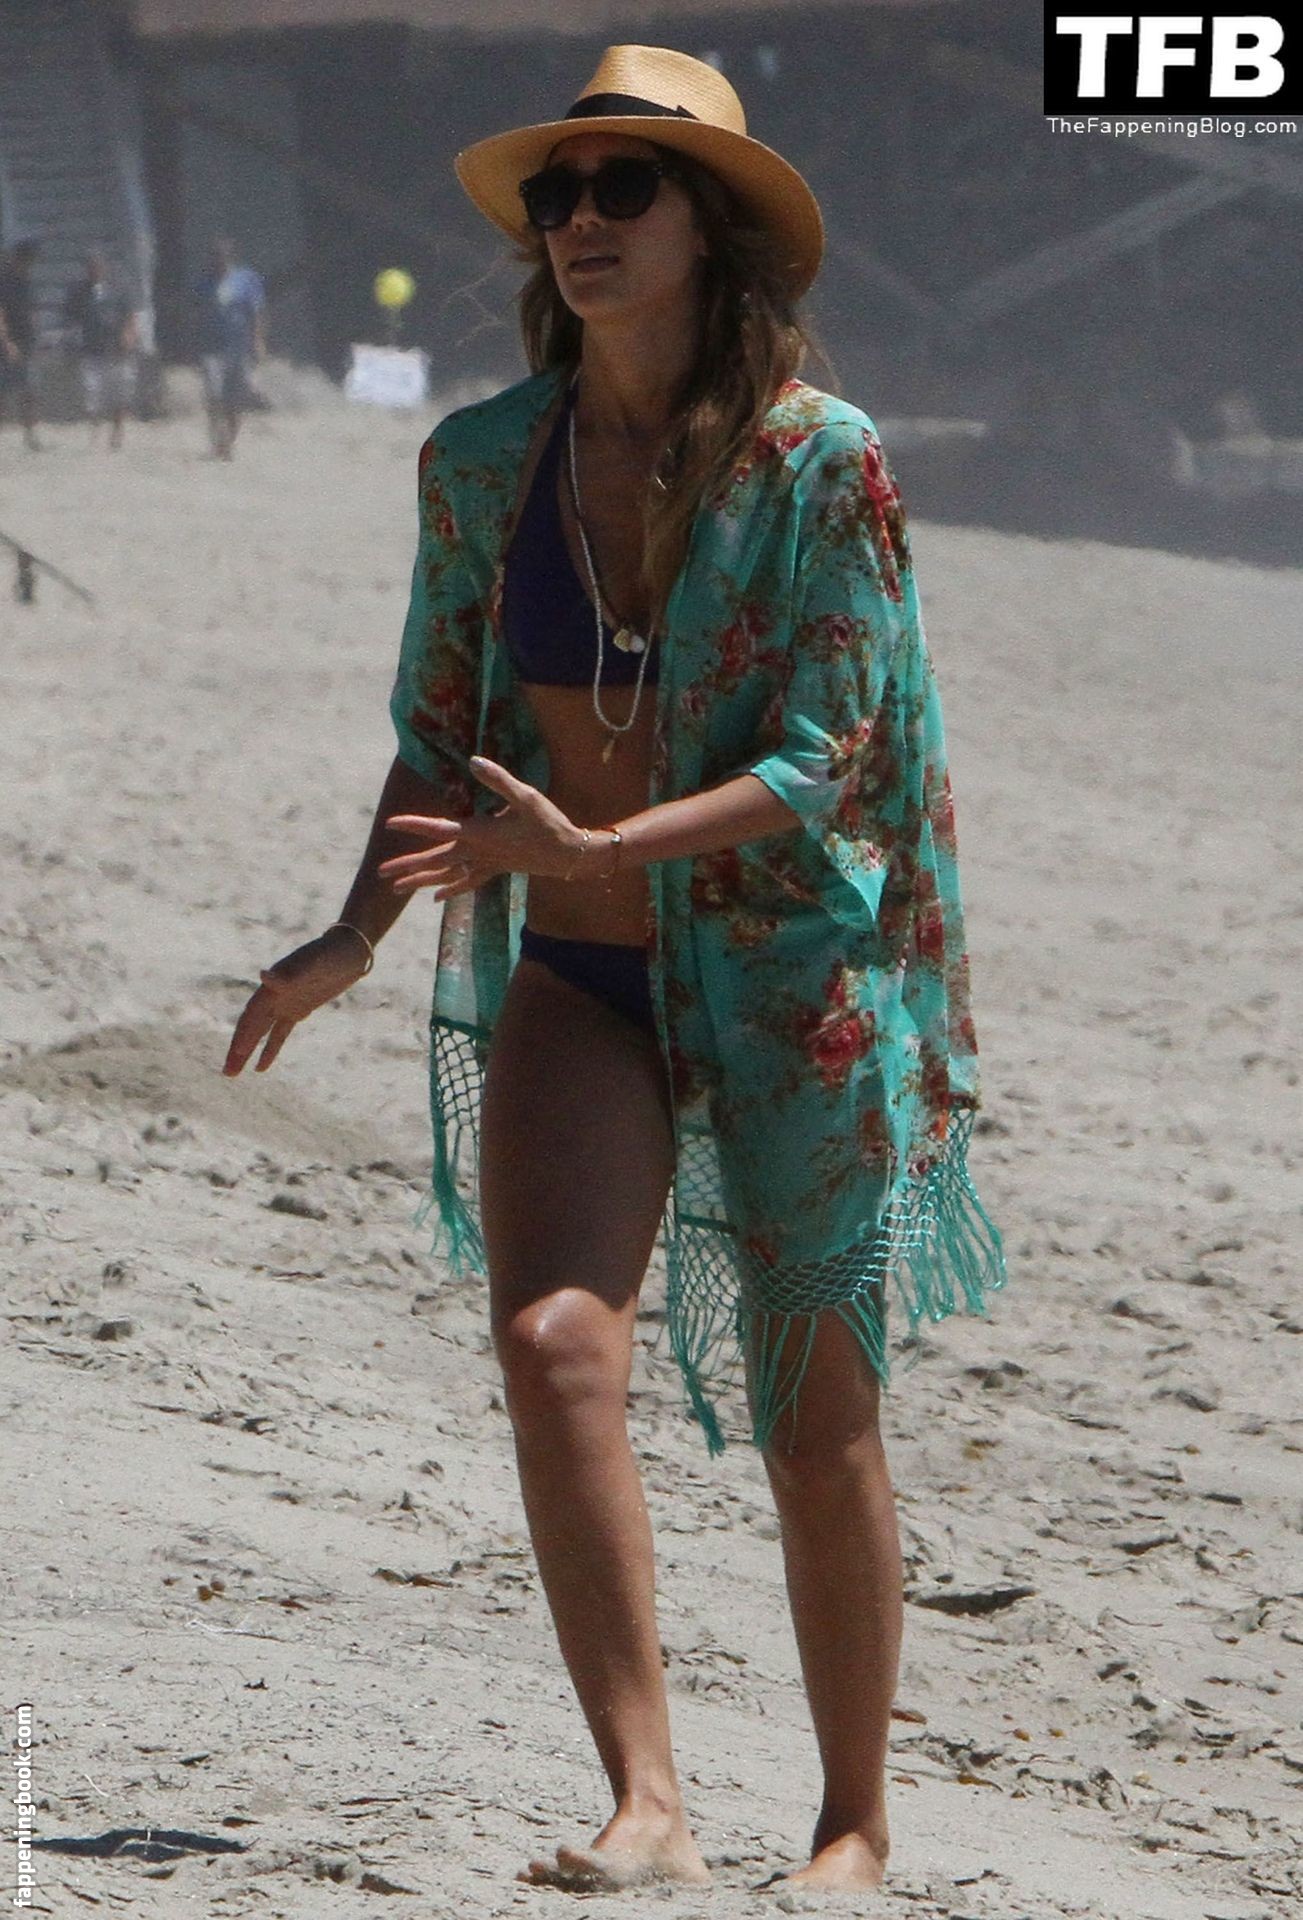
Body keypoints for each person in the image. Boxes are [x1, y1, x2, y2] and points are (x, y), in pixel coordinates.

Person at [224, 45, 1007, 1897]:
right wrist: (352, 934)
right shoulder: (481, 463)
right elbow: (439, 731)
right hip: (578, 978)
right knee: (553, 1347)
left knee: (815, 1422)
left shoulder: (819, 462)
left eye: (621, 188)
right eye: (555, 195)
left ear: (708, 228)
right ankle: (646, 1803)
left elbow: (828, 753)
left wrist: (598, 845)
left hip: (788, 986)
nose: (578, 220)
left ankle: (850, 1821)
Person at [193, 235, 265, 459]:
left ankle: (228, 441)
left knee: (235, 400)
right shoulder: (203, 283)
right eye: (215, 257)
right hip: (211, 348)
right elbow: (196, 314)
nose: (218, 261)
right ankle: (219, 438)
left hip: (238, 347)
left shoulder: (246, 280)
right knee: (214, 395)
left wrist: (258, 340)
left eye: (222, 256)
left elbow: (256, 312)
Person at [63, 248, 138, 449]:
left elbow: (130, 314)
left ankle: (117, 432)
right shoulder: (79, 292)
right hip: (92, 349)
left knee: (118, 393)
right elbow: (70, 318)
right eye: (91, 267)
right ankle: (95, 429)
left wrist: (129, 336)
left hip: (116, 349)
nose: (95, 270)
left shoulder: (118, 289)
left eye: (98, 266)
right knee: (92, 392)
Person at [0, 238, 41, 451]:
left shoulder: (27, 282)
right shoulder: (5, 282)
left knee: (29, 389)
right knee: (3, 390)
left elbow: (31, 310)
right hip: (9, 343)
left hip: (27, 342)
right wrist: (7, 342)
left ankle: (30, 434)